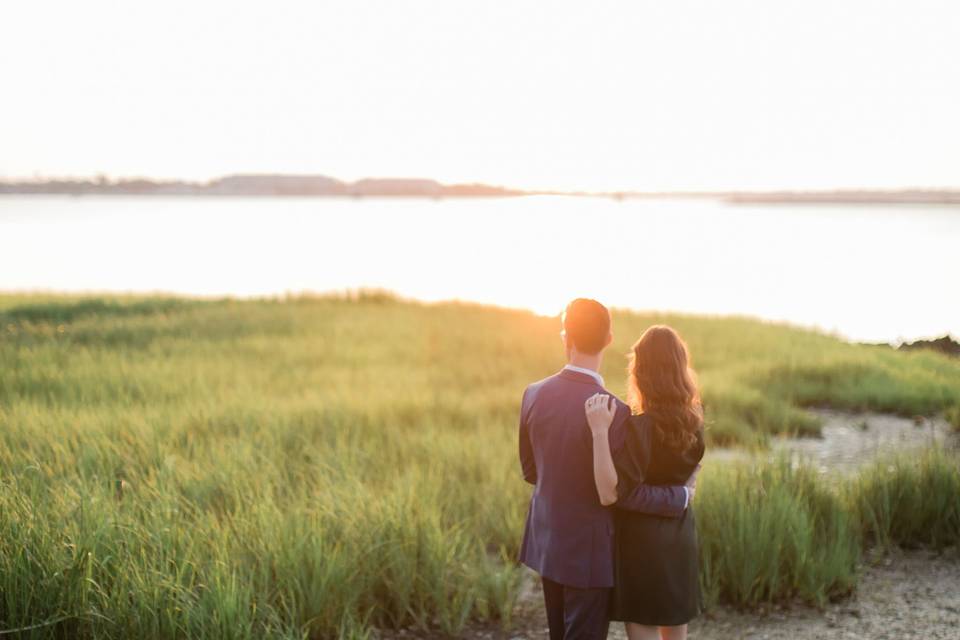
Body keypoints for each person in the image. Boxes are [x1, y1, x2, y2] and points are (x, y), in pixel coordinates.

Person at [518, 299, 698, 640]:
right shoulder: (616, 413)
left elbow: (531, 471)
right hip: (590, 556)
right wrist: (680, 496)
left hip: (547, 544)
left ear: (565, 337)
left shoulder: (533, 394)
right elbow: (617, 493)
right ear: (610, 338)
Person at [584, 325, 706, 640]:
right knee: (675, 629)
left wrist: (599, 432)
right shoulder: (694, 424)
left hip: (642, 545)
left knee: (645, 629)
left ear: (641, 372)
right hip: (681, 538)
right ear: (680, 368)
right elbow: (690, 480)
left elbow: (615, 494)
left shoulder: (640, 429)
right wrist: (679, 495)